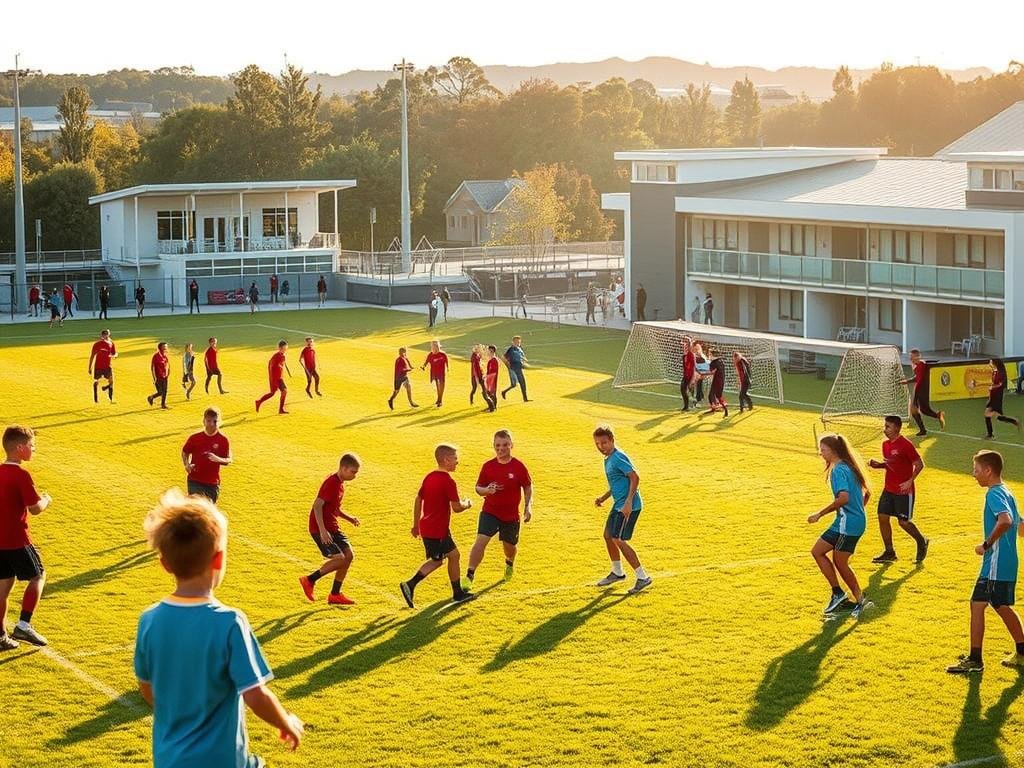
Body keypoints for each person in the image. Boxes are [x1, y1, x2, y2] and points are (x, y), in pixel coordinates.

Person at [134, 489, 303, 766]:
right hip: (221, 760)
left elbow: (146, 685)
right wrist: (285, 722)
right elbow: (255, 694)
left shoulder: (149, 620)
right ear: (219, 559)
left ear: (164, 563)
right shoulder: (229, 622)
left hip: (168, 759)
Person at [946, 450, 1024, 673]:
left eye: (976, 470)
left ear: (988, 471)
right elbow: (1021, 527)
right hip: (1007, 563)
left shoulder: (994, 494)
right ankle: (1021, 651)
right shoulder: (1008, 492)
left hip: (995, 564)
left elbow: (1006, 520)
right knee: (998, 606)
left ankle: (975, 660)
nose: (974, 474)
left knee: (979, 605)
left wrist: (986, 545)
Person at [399, 444, 475, 608]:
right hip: (438, 530)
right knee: (440, 560)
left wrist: (415, 524)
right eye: (455, 458)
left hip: (428, 527)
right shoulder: (448, 481)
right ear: (446, 460)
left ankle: (457, 593)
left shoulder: (429, 477)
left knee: (448, 557)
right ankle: (410, 585)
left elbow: (418, 499)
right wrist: (467, 504)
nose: (457, 462)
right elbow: (456, 508)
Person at [807, 433, 873, 619]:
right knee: (817, 551)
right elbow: (867, 494)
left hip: (848, 525)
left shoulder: (838, 470)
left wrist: (819, 514)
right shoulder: (848, 466)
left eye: (823, 450)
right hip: (847, 522)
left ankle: (860, 600)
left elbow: (843, 498)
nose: (821, 453)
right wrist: (858, 511)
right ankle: (838, 594)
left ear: (833, 451)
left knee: (840, 562)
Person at [0, 425, 53, 649]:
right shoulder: (21, 474)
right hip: (17, 539)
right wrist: (46, 500)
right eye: (32, 446)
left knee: (3, 584)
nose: (34, 449)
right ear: (20, 448)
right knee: (38, 576)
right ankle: (23, 625)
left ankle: (0, 636)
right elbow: (35, 508)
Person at [464, 430, 533, 588]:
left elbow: (528, 487)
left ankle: (509, 563)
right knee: (480, 541)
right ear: (493, 446)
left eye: (505, 445)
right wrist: (487, 490)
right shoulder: (488, 467)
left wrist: (528, 506)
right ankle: (469, 575)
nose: (500, 449)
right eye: (497, 445)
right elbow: (478, 488)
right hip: (490, 511)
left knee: (509, 547)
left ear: (511, 445)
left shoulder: (518, 466)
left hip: (510, 516)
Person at [593, 425, 652, 594]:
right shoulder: (609, 458)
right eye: (597, 443)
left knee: (617, 538)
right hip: (619, 503)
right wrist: (603, 498)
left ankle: (643, 577)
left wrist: (628, 502)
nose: (600, 447)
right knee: (607, 535)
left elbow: (635, 477)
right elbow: (618, 482)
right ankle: (617, 572)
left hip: (628, 505)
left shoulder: (618, 457)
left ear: (612, 440)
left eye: (604, 442)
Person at [300, 454, 362, 606]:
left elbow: (335, 508)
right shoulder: (332, 483)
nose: (355, 476)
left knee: (349, 556)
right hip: (321, 528)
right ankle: (309, 580)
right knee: (340, 559)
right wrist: (322, 531)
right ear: (344, 468)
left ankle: (335, 594)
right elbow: (317, 505)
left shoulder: (339, 484)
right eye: (353, 472)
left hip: (332, 526)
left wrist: (349, 518)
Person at [867, 415, 929, 564]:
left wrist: (910, 481)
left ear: (897, 428)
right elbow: (891, 463)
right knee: (882, 517)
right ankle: (889, 552)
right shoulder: (885, 445)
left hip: (903, 491)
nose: (885, 429)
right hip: (888, 489)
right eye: (885, 426)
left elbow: (919, 464)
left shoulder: (906, 445)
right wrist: (879, 465)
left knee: (904, 522)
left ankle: (922, 541)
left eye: (887, 426)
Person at [181, 407, 232, 503]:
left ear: (219, 422)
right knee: (196, 507)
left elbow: (228, 460)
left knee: (208, 512)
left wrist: (217, 459)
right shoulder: (195, 438)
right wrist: (186, 464)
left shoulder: (223, 440)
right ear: (204, 421)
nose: (212, 424)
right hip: (194, 479)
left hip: (212, 483)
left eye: (215, 421)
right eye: (209, 421)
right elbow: (185, 452)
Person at [900, 348, 945, 436]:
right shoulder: (916, 364)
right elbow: (917, 377)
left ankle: (933, 420)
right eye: (910, 357)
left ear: (917, 357)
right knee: (920, 410)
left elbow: (919, 380)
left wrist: (915, 394)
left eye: (912, 357)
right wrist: (906, 381)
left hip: (922, 390)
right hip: (920, 389)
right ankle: (926, 427)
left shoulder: (921, 365)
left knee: (919, 410)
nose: (911, 359)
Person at [984, 358, 1021, 439]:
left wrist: (992, 388)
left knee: (988, 414)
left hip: (997, 396)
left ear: (994, 363)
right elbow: (993, 383)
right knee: (996, 416)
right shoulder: (995, 372)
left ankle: (990, 435)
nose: (989, 363)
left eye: (990, 362)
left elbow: (1001, 385)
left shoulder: (1001, 373)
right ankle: (1014, 421)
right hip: (992, 395)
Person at [255, 340, 291, 414]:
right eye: (284, 348)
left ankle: (259, 401)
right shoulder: (276, 356)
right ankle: (280, 410)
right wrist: (273, 378)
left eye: (286, 348)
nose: (285, 349)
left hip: (279, 377)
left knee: (273, 393)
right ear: (280, 348)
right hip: (276, 378)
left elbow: (281, 365)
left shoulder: (282, 356)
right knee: (284, 391)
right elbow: (271, 366)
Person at [88, 328, 117, 404]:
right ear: (102, 335)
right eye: (104, 335)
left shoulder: (111, 343)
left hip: (107, 366)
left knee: (111, 381)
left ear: (108, 335)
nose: (106, 336)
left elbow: (115, 353)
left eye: (107, 334)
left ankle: (111, 399)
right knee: (96, 382)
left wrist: (114, 356)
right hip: (98, 366)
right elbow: (92, 356)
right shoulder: (97, 344)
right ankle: (96, 399)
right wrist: (90, 367)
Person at [421, 340, 449, 408]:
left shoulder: (443, 354)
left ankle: (440, 401)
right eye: (432, 347)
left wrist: (448, 368)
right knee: (437, 386)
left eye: (434, 347)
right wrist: (423, 367)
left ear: (437, 347)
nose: (433, 348)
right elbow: (426, 362)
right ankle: (438, 399)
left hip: (442, 373)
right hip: (434, 373)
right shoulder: (430, 355)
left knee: (441, 386)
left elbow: (446, 361)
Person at [501, 335, 529, 402]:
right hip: (514, 368)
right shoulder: (511, 349)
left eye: (519, 342)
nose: (518, 343)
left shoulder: (519, 349)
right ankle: (525, 399)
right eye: (516, 342)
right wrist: (508, 366)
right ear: (513, 342)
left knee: (514, 384)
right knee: (522, 382)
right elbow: (503, 358)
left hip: (518, 367)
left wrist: (524, 361)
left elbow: (522, 357)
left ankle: (504, 392)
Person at [702, 350, 729, 416]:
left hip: (716, 381)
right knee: (712, 395)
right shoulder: (721, 361)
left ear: (712, 355)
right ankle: (714, 408)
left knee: (716, 396)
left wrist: (702, 374)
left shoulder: (713, 363)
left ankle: (725, 409)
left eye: (709, 354)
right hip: (721, 380)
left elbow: (712, 371)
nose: (708, 355)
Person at [148, 342, 171, 409]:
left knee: (165, 391)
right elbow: (152, 367)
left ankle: (163, 405)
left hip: (165, 376)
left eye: (166, 346)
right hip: (158, 377)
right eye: (164, 346)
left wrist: (168, 374)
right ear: (160, 347)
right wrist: (154, 377)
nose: (166, 348)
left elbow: (168, 365)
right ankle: (151, 397)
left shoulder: (165, 356)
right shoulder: (156, 356)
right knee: (160, 392)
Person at [680, 337, 696, 411]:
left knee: (690, 390)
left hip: (690, 375)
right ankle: (686, 406)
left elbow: (693, 367)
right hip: (685, 375)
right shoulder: (685, 355)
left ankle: (692, 405)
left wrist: (692, 379)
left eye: (686, 346)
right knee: (683, 389)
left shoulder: (691, 355)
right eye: (684, 346)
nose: (684, 347)